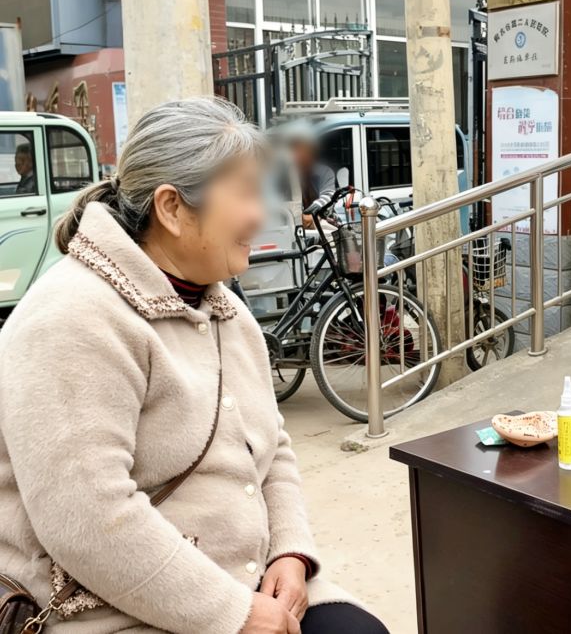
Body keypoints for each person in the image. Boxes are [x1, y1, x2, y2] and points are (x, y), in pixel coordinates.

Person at [0, 98, 388, 633]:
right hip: (108, 608)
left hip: (247, 578)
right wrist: (232, 614)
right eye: (245, 194)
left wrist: (291, 553)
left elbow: (272, 448)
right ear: (172, 208)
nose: (259, 215)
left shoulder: (225, 310)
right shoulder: (71, 318)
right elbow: (88, 518)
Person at [283, 124, 337, 230]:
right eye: (296, 150)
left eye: (305, 150)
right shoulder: (285, 174)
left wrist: (309, 212)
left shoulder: (324, 172)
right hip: (292, 226)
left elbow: (328, 196)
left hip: (319, 221)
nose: (301, 155)